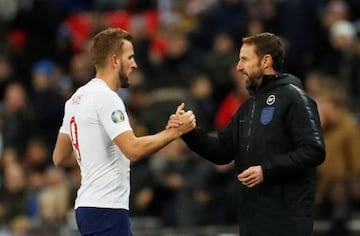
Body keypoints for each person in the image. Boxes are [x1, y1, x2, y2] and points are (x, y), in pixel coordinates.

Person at [169, 32, 326, 236]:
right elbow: (222, 151)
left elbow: (314, 150)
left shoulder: (294, 98)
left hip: (287, 219)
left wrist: (266, 170)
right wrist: (189, 132)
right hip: (251, 218)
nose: (238, 67)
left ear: (266, 61)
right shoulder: (248, 106)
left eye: (244, 59)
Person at [52, 27, 196, 236]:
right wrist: (175, 132)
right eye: (130, 57)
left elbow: (59, 157)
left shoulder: (76, 98)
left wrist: (94, 160)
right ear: (115, 60)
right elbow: (133, 149)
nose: (135, 64)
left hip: (87, 206)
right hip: (106, 208)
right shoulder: (108, 98)